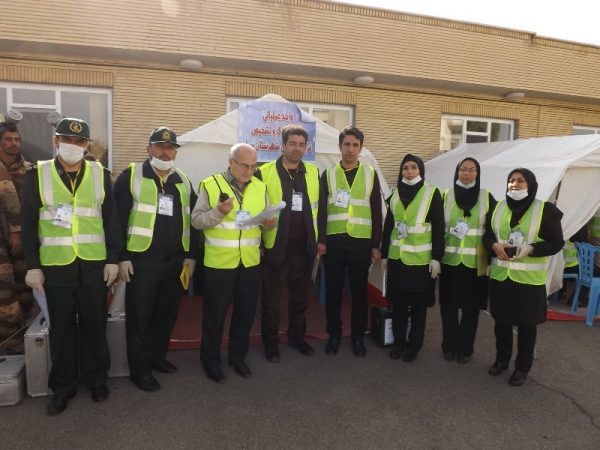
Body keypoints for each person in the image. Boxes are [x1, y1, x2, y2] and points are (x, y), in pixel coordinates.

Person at [21, 118, 122, 414]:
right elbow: (28, 224)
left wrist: (113, 260)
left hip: (93, 265)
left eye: (79, 141)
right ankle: (63, 387)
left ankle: (97, 379)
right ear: (55, 141)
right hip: (56, 266)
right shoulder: (37, 174)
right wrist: (33, 265)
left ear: (87, 145)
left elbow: (111, 220)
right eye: (67, 139)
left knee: (95, 325)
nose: (73, 145)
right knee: (62, 330)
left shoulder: (100, 174)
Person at [114, 127, 198, 392]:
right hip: (142, 261)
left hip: (174, 262)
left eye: (170, 147)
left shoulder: (183, 180)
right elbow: (116, 220)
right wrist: (121, 257)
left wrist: (191, 256)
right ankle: (140, 371)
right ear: (149, 148)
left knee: (166, 314)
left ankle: (157, 358)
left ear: (176, 152)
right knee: (140, 318)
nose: (165, 151)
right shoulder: (131, 176)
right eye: (160, 146)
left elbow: (193, 221)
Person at [192, 143, 275, 383]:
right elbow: (196, 221)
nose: (249, 171)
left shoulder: (260, 187)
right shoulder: (211, 184)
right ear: (231, 162)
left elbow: (266, 221)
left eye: (253, 166)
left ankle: (238, 358)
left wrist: (270, 224)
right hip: (219, 264)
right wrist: (218, 212)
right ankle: (210, 361)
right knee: (215, 316)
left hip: (249, 262)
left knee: (245, 314)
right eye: (244, 166)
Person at [484, 168, 563, 386]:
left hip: (529, 281)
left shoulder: (545, 210)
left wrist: (532, 248)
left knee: (527, 326)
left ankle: (522, 368)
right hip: (502, 276)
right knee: (502, 323)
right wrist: (493, 245)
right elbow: (487, 235)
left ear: (531, 184)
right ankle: (501, 360)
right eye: (511, 180)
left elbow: (556, 242)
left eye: (521, 181)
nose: (515, 184)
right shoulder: (498, 207)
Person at [318, 126, 382, 357]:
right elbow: (321, 211)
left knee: (359, 294)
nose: (351, 149)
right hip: (334, 242)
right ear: (340, 146)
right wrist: (321, 240)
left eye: (355, 145)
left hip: (360, 243)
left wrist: (376, 244)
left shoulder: (370, 174)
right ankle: (334, 335)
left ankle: (357, 338)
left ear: (361, 148)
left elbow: (376, 211)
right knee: (333, 293)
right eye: (347, 144)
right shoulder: (328, 174)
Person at [257, 125, 319, 362]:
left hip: (304, 248)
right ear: (282, 145)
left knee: (300, 299)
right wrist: (259, 244)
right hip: (275, 247)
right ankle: (270, 343)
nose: (297, 148)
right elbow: (255, 209)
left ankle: (297, 337)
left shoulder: (312, 172)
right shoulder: (264, 173)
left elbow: (320, 209)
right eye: (292, 143)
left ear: (306, 147)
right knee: (271, 300)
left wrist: (320, 242)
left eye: (302, 144)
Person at [381, 154, 444, 363]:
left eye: (413, 167)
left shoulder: (432, 193)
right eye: (405, 168)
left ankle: (414, 345)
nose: (409, 171)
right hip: (398, 260)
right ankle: (399, 342)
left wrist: (436, 257)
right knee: (398, 305)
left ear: (420, 171)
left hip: (421, 262)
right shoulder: (394, 195)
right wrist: (384, 253)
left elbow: (439, 228)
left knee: (418, 307)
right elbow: (389, 227)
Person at [439, 158, 496, 364]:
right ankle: (449, 346)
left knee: (471, 309)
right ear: (457, 172)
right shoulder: (446, 196)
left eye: (472, 170)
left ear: (477, 174)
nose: (467, 173)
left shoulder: (487, 197)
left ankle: (465, 349)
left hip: (476, 263)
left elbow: (493, 230)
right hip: (450, 261)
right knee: (449, 306)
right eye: (463, 169)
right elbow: (437, 227)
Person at [0, 121, 33, 354]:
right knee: (5, 294)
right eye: (8, 139)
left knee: (25, 290)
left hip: (24, 242)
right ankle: (11, 345)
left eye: (17, 139)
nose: (13, 144)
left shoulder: (29, 171)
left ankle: (28, 340)